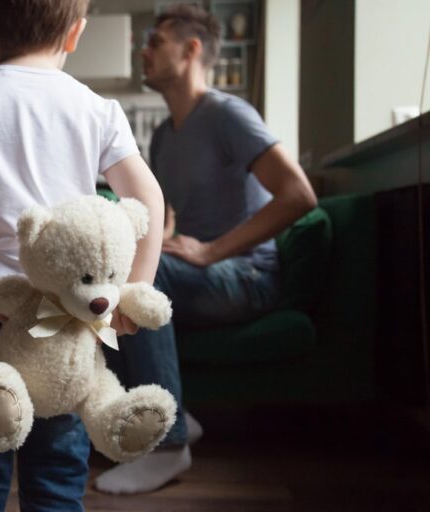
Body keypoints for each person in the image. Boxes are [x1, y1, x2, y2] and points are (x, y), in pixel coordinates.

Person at [0, 0, 167, 509]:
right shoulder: (96, 108)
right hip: (69, 323)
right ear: (76, 34)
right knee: (58, 482)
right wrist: (133, 292)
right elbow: (147, 200)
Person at [96, 4, 318, 495]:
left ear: (192, 49)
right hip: (202, 276)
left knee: (144, 281)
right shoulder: (162, 138)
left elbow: (299, 194)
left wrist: (211, 251)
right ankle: (176, 413)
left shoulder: (227, 115)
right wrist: (169, 241)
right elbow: (170, 217)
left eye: (156, 41)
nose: (144, 50)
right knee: (100, 284)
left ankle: (169, 445)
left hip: (247, 277)